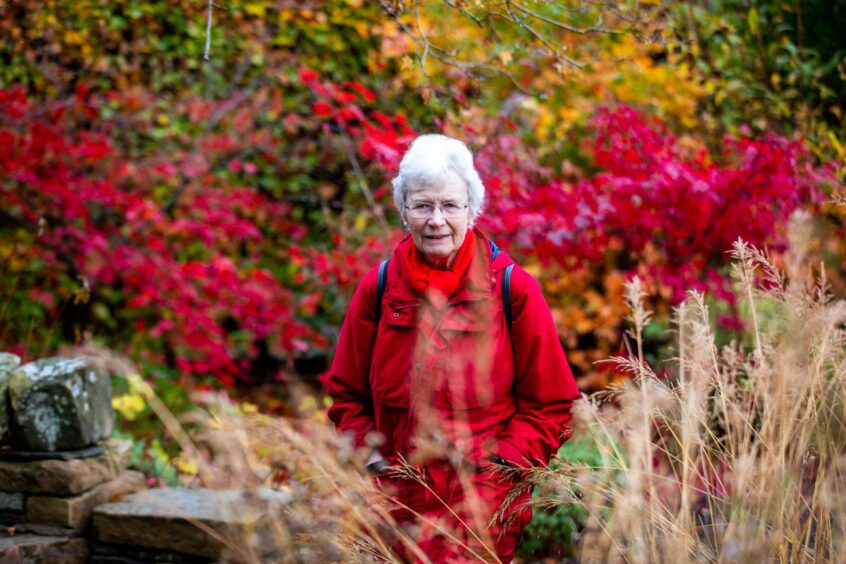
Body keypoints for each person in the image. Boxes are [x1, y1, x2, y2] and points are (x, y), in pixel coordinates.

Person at [326, 134, 580, 562]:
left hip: (479, 515)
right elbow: (347, 393)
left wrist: (499, 473)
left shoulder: (511, 288)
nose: (436, 220)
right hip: (395, 510)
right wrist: (371, 459)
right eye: (423, 205)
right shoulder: (380, 287)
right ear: (404, 211)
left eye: (450, 206)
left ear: (471, 210)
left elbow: (551, 404)